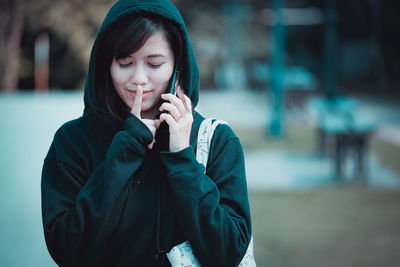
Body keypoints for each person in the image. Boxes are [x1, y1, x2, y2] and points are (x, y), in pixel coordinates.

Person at [41, 0, 252, 266]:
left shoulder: (217, 140)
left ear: (178, 66)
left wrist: (182, 158)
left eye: (154, 64)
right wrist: (125, 150)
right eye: (125, 62)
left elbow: (228, 252)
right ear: (107, 65)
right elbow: (68, 252)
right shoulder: (72, 142)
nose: (139, 78)